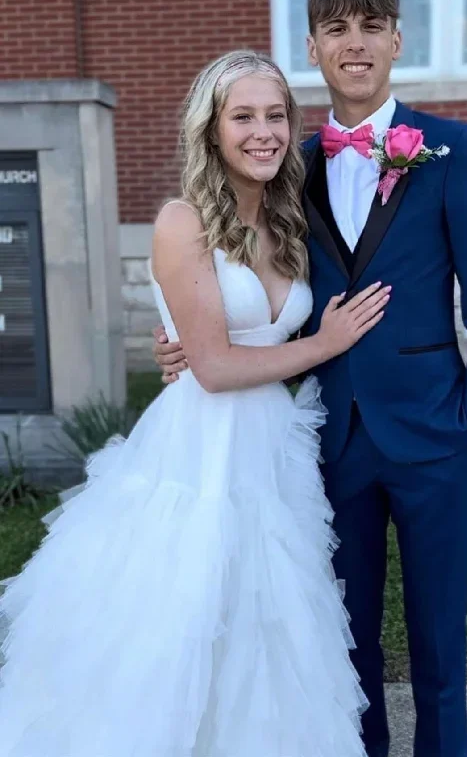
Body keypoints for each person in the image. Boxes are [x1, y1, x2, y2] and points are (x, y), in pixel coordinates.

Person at [153, 0, 467, 757]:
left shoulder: (451, 150)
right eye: (335, 31)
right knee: (343, 643)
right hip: (325, 442)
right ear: (314, 48)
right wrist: (196, 341)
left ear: (395, 39)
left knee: (437, 644)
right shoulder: (290, 162)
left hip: (432, 434)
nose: (354, 45)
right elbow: (255, 282)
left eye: (369, 28)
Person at [0, 50, 392, 756]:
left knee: (272, 623)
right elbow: (212, 367)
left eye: (275, 115)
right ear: (211, 131)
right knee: (184, 618)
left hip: (272, 451)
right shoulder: (183, 222)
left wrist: (199, 342)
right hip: (200, 451)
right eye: (242, 116)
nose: (263, 132)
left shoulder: (289, 223)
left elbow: (245, 340)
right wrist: (323, 343)